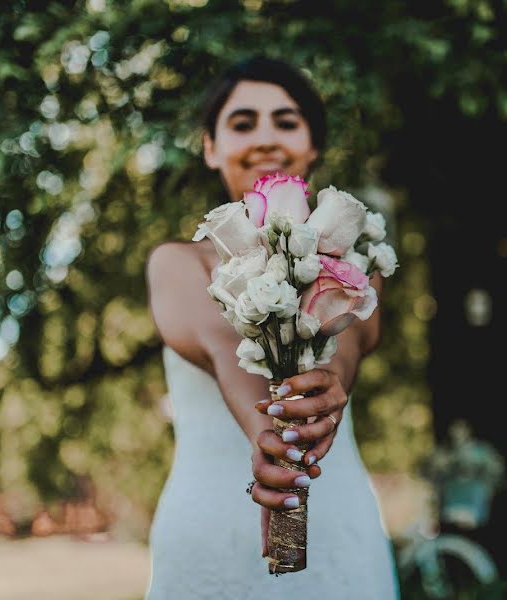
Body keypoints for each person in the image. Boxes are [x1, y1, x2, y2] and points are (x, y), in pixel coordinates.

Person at [144, 56, 399, 598]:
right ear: (210, 147)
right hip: (211, 529)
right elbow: (220, 342)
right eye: (242, 123)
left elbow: (346, 340)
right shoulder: (177, 264)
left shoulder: (360, 262)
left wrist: (328, 392)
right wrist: (271, 442)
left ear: (312, 146)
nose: (265, 137)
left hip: (337, 526)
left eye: (286, 121)